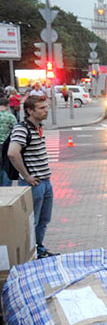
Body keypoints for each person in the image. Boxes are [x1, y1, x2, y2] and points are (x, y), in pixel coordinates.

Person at [6, 95, 55, 258]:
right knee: (31, 222)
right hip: (34, 184)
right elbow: (12, 153)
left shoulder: (38, 127)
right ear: (29, 110)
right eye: (41, 108)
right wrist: (27, 176)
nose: (46, 111)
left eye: (46, 107)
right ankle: (30, 254)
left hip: (45, 182)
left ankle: (39, 249)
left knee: (43, 220)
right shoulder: (22, 129)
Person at [0, 97, 17, 187]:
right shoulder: (10, 117)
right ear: (7, 106)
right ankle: (5, 188)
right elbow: (15, 130)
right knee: (6, 167)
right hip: (5, 146)